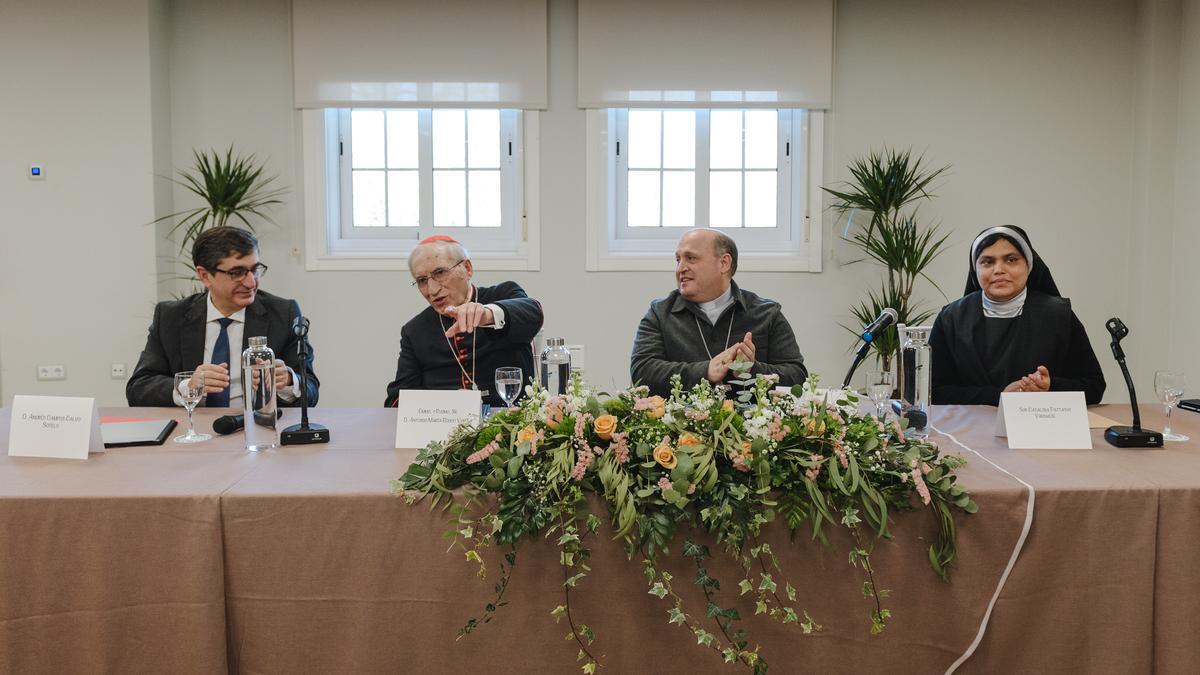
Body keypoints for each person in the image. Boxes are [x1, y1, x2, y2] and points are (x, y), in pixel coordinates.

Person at [126, 227, 319, 408]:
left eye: (254, 269)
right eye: (237, 273)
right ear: (205, 276)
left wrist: (288, 381)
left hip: (258, 429)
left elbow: (310, 389)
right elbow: (138, 388)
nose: (251, 282)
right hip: (193, 431)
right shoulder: (171, 317)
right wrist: (188, 387)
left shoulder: (284, 314)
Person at [929, 225, 1105, 405]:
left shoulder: (1059, 316)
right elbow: (933, 391)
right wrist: (999, 396)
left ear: (1028, 266)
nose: (999, 270)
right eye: (988, 262)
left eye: (1011, 260)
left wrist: (1050, 386)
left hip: (1040, 424)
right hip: (967, 427)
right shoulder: (950, 318)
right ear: (976, 270)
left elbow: (1094, 387)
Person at [630, 229, 807, 398]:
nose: (680, 269)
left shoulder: (767, 314)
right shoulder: (660, 313)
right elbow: (642, 371)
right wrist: (705, 371)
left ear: (724, 263)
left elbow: (797, 376)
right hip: (680, 426)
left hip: (753, 425)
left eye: (691, 258)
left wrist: (751, 370)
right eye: (678, 260)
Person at [385, 236, 544, 408]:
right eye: (422, 280)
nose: (432, 290)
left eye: (440, 273)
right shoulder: (414, 331)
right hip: (443, 428)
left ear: (467, 268)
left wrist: (488, 314)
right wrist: (446, 405)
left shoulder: (503, 294)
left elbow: (534, 313)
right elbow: (396, 401)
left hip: (511, 424)